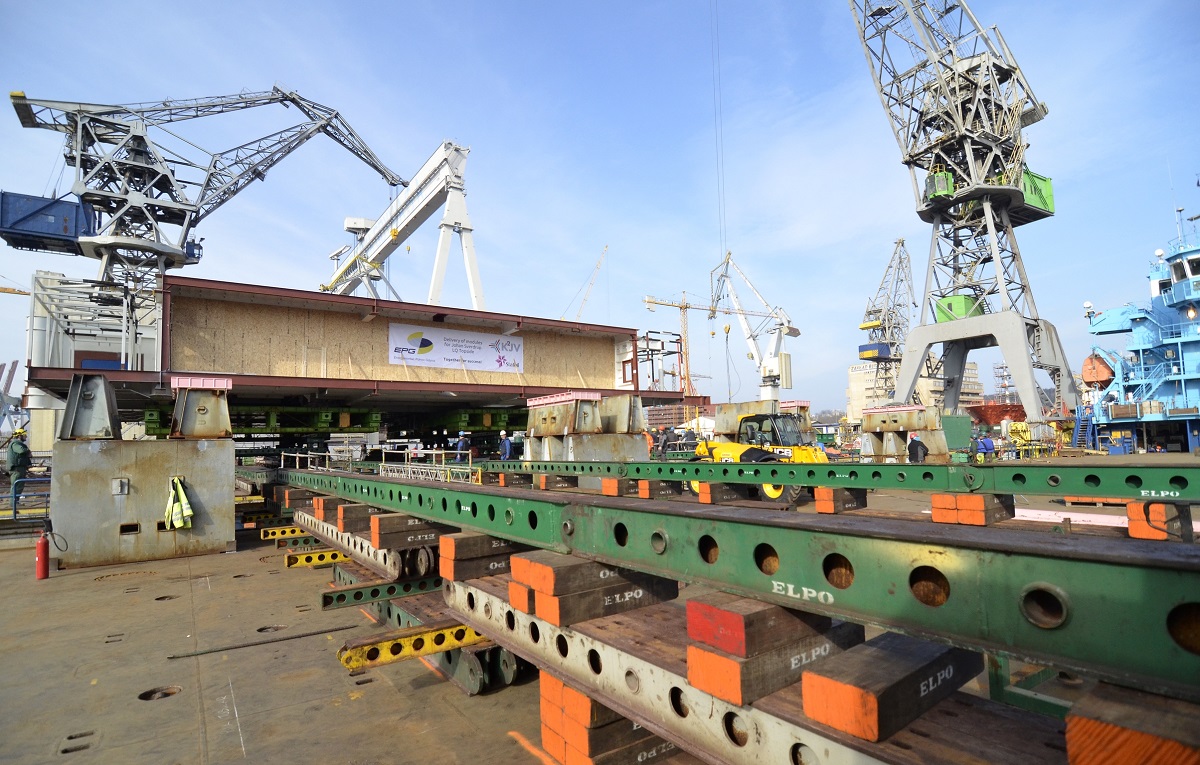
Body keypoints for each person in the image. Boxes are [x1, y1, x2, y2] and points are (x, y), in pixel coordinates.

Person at [7, 428, 33, 513]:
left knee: (19, 485)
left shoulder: (17, 443)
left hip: (20, 468)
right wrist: (27, 451)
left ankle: (16, 501)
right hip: (17, 469)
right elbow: (21, 451)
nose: (26, 437)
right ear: (19, 436)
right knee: (16, 485)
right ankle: (13, 503)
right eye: (24, 435)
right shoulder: (15, 444)